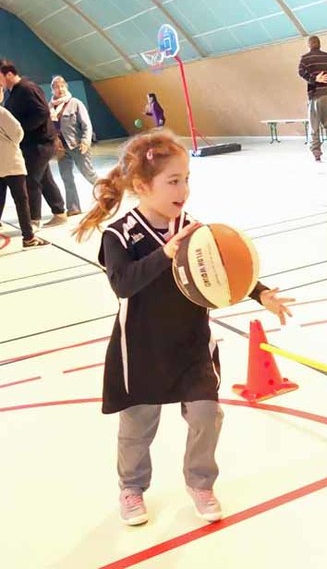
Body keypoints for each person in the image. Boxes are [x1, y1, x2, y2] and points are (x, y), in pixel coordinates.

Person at [73, 130, 294, 526]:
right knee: (137, 428)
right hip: (141, 349)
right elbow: (123, 284)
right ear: (143, 186)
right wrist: (165, 253)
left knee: (207, 414)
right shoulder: (119, 234)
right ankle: (132, 488)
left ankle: (200, 483)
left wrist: (261, 294)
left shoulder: (192, 228)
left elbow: (224, 268)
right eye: (173, 181)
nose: (184, 189)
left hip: (192, 344)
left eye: (187, 179)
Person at [0, 62, 66, 228]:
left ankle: (34, 220)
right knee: (44, 178)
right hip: (30, 143)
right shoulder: (12, 93)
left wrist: (22, 129)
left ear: (8, 74)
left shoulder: (27, 88)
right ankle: (59, 211)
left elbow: (42, 112)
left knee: (30, 180)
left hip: (40, 143)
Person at [0, 86, 50, 248]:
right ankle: (28, 237)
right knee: (21, 201)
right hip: (11, 163)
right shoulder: (2, 113)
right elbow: (17, 133)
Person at [50, 75, 98, 216]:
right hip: (61, 149)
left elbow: (86, 124)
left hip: (77, 146)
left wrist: (85, 141)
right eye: (56, 87)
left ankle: (109, 194)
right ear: (52, 90)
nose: (60, 89)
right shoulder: (49, 107)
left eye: (62, 86)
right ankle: (73, 207)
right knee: (67, 178)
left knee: (89, 174)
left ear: (66, 87)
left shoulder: (75, 103)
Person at [297, 35, 327, 161]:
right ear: (319, 44)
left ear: (308, 45)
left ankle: (316, 153)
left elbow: (301, 72)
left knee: (314, 125)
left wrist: (314, 79)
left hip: (315, 95)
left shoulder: (305, 58)